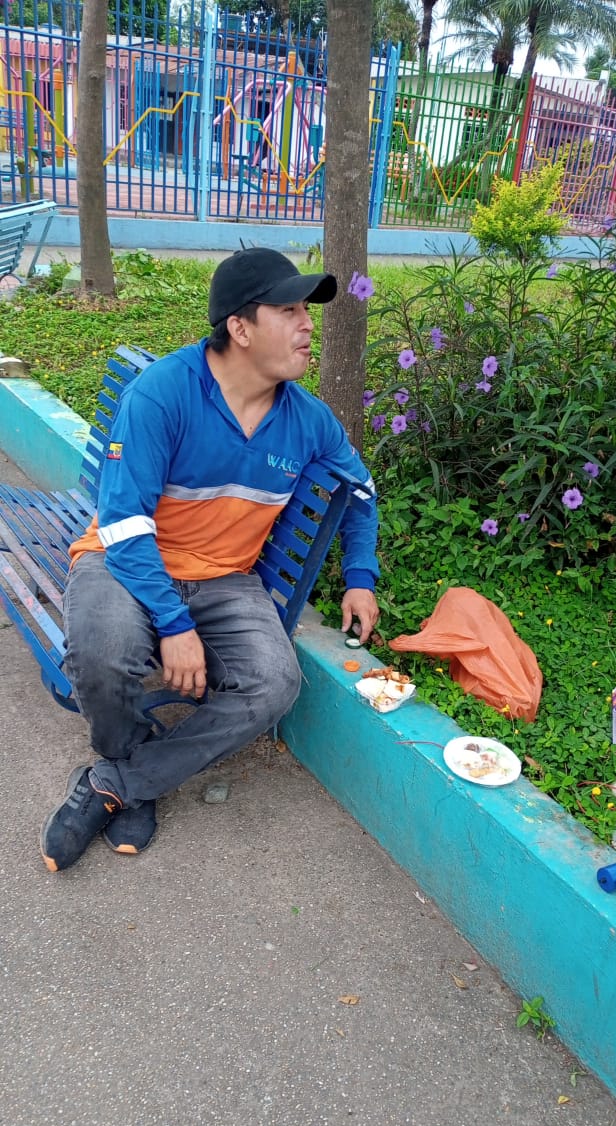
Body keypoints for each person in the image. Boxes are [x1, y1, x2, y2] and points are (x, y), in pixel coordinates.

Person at [42, 247, 379, 873]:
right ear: (240, 328)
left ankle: (122, 781)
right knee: (102, 652)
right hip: (127, 560)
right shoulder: (164, 394)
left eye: (307, 311)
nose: (307, 324)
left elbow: (360, 493)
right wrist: (174, 626)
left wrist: (360, 576)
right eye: (289, 310)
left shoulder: (308, 421)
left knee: (274, 684)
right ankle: (132, 766)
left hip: (224, 579)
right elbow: (124, 523)